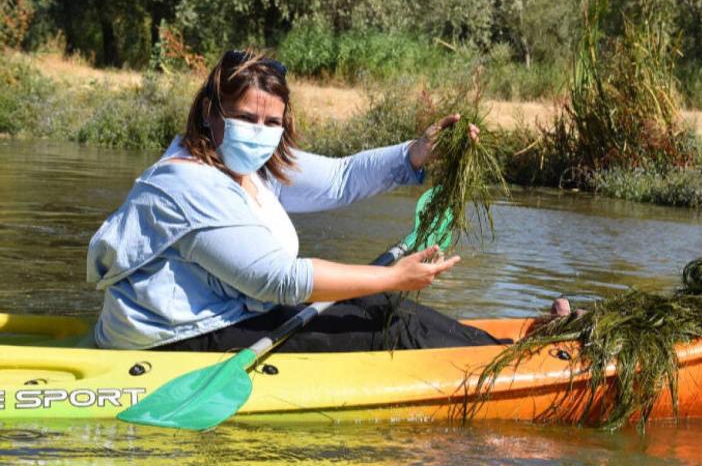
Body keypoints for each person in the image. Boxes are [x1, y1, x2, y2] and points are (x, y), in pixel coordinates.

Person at [86, 49, 502, 352]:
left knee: (377, 302)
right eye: (246, 118)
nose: (259, 131)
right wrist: (394, 276)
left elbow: (343, 178)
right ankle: (496, 360)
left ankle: (497, 347)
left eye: (271, 122)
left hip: (232, 315)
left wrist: (415, 153)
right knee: (391, 329)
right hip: (177, 339)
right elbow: (279, 280)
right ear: (211, 114)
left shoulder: (253, 167)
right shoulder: (188, 184)